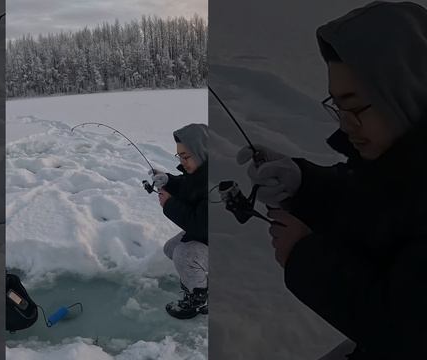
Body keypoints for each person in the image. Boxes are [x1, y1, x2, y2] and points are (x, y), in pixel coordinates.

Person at [236, 2, 427, 358]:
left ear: (408, 88)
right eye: (337, 105)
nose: (344, 124)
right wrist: (305, 186)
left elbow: (409, 331)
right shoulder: (398, 161)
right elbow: (380, 205)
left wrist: (306, 258)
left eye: (355, 106)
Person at [150, 123, 209, 319]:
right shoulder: (200, 172)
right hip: (206, 235)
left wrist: (169, 204)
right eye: (179, 156)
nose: (182, 161)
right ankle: (198, 282)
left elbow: (199, 226)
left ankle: (200, 299)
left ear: (201, 152)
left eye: (186, 156)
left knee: (184, 255)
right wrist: (168, 180)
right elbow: (188, 188)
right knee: (171, 249)